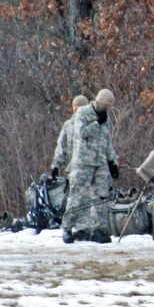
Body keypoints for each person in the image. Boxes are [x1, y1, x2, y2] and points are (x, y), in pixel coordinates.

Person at [62, 88, 119, 244]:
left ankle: (98, 230)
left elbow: (107, 141)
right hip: (83, 162)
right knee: (77, 196)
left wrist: (113, 162)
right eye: (107, 106)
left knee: (101, 196)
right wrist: (96, 123)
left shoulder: (106, 118)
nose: (108, 109)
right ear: (100, 102)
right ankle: (67, 228)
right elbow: (81, 133)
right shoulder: (83, 113)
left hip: (100, 163)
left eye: (110, 107)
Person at [51, 94, 89, 178]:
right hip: (72, 171)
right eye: (74, 107)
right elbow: (61, 146)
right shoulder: (68, 125)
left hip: (90, 171)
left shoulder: (93, 125)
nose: (76, 109)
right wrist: (56, 166)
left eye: (79, 107)